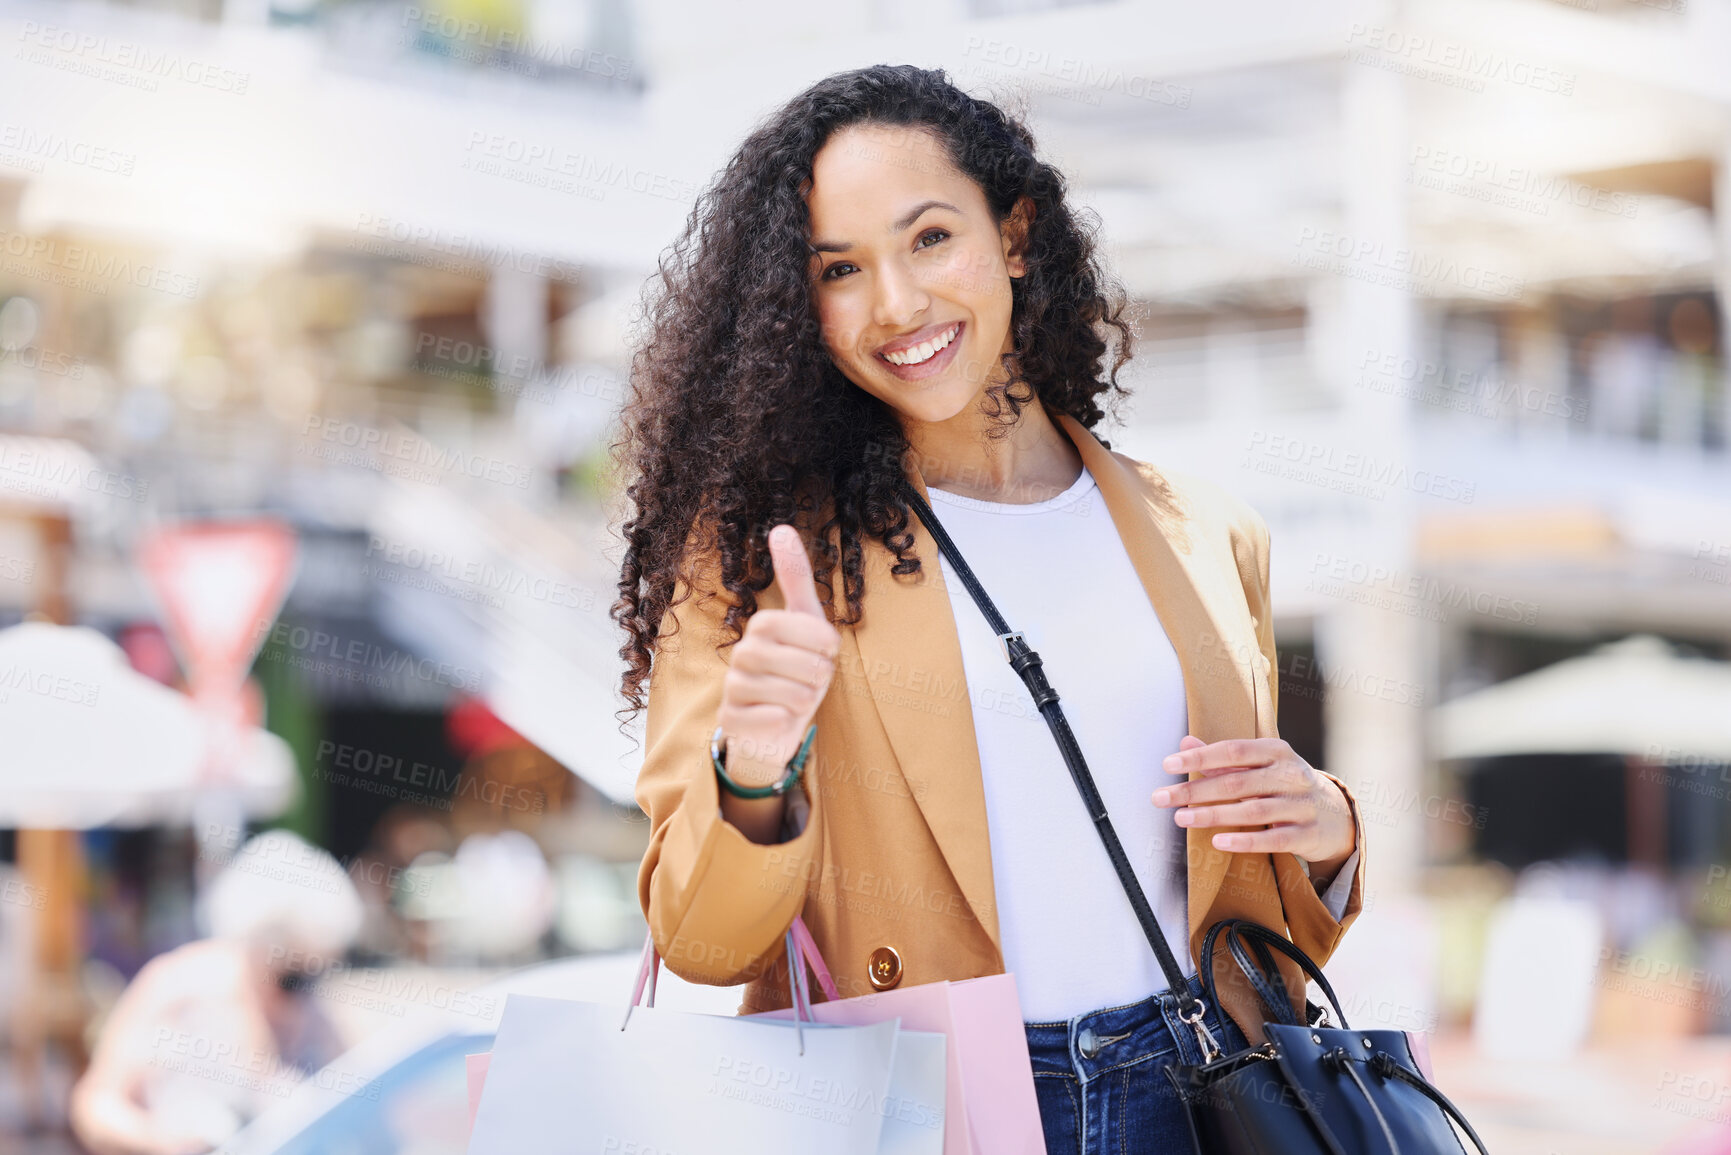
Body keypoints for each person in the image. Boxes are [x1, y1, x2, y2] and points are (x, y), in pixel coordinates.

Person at [615, 64, 1367, 1151]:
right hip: (927, 1106)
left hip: (1201, 1093)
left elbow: (1254, 913)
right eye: (840, 269)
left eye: (930, 239)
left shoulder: (1204, 533)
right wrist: (754, 773)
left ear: (1014, 236)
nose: (899, 305)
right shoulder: (759, 563)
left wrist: (1330, 831)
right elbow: (702, 942)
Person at [69, 831, 361, 1155]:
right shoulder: (182, 987)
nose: (302, 991)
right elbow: (95, 1106)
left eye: (314, 974)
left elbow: (359, 1098)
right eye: (291, 978)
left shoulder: (314, 1015)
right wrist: (166, 1144)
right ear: (253, 944)